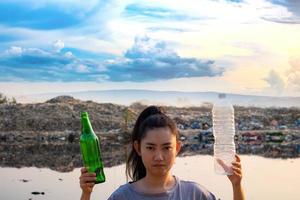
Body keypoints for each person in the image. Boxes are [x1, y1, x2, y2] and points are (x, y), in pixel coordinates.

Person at [79, 106, 245, 200]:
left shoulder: (194, 194)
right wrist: (86, 193)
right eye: (150, 147)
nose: (159, 157)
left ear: (177, 148)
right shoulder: (122, 197)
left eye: (166, 147)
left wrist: (236, 185)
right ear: (138, 148)